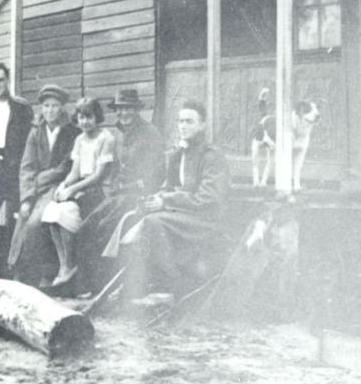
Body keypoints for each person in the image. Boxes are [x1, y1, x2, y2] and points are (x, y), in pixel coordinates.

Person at [103, 100, 230, 300]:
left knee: (153, 222)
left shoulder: (211, 156)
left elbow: (208, 198)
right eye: (180, 121)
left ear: (202, 125)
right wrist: (155, 198)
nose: (183, 126)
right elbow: (167, 187)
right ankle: (135, 280)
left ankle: (172, 281)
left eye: (189, 121)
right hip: (181, 215)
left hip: (205, 219)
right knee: (131, 216)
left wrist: (167, 200)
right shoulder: (177, 154)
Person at [76, 88, 165, 293]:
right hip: (117, 195)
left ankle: (105, 287)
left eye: (128, 108)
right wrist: (113, 187)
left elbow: (157, 175)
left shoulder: (151, 134)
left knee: (104, 229)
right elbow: (115, 167)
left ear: (136, 110)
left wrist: (136, 189)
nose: (123, 113)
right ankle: (89, 285)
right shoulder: (118, 134)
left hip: (138, 196)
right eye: (120, 109)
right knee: (86, 228)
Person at [9, 84, 79, 286]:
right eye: (46, 106)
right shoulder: (36, 131)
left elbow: (66, 166)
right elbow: (27, 166)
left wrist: (40, 179)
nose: (50, 110)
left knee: (36, 222)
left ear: (62, 107)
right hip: (36, 188)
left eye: (55, 106)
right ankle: (19, 272)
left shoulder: (71, 132)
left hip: (58, 186)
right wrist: (27, 197)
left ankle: (44, 275)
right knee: (24, 213)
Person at [42, 97, 114, 287]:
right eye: (81, 118)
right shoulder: (79, 139)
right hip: (82, 186)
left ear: (97, 117)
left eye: (89, 117)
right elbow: (75, 172)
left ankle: (70, 265)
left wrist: (72, 189)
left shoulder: (106, 138)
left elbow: (99, 176)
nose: (85, 122)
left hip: (100, 190)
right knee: (52, 210)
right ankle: (65, 264)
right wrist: (63, 186)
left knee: (65, 212)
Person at [0, 62, 33, 275]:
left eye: (1, 80)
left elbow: (29, 139)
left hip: (12, 166)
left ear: (8, 80)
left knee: (11, 216)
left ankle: (9, 267)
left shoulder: (20, 107)